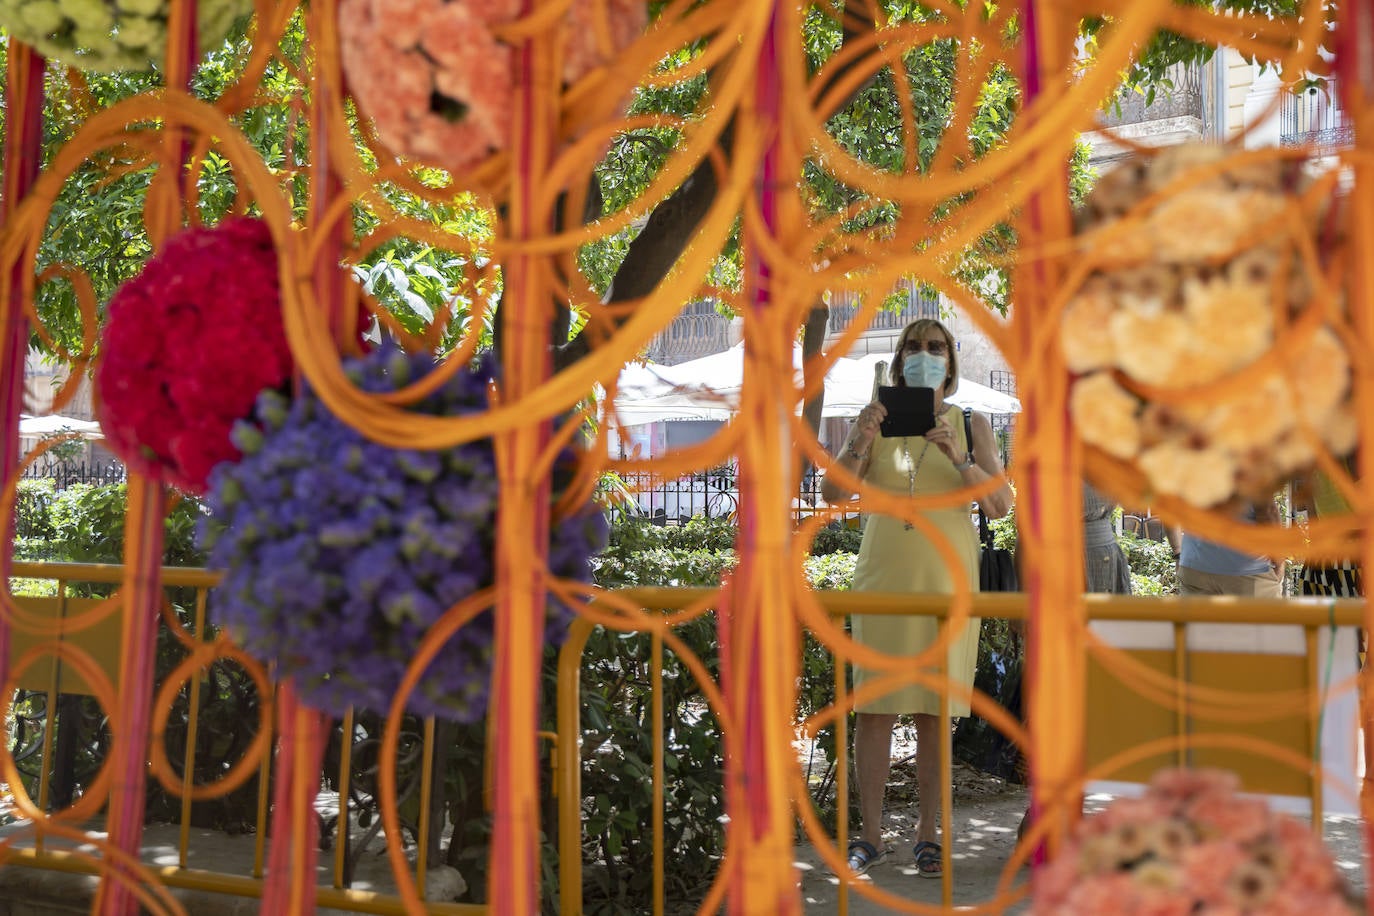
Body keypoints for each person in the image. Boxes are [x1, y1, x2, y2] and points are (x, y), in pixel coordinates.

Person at [820, 318, 1012, 878]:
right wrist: (860, 436)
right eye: (913, 346)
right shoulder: (872, 421)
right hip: (882, 578)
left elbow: (1000, 506)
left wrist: (959, 457)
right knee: (874, 710)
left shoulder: (971, 421)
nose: (924, 354)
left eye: (936, 347)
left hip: (947, 583)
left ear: (951, 362)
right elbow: (834, 493)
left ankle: (930, 833)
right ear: (899, 359)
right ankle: (872, 836)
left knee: (934, 712)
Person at [1169, 498, 1284, 598]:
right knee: (1268, 621)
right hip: (1246, 568)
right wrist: (1279, 561)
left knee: (1199, 622)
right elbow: (1268, 512)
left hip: (1194, 565)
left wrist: (1178, 552)